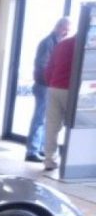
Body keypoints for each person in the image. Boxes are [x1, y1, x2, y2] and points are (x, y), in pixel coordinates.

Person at [26, 17, 70, 162]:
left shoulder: (57, 43)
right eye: (65, 29)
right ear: (59, 27)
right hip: (43, 86)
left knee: (47, 120)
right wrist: (50, 81)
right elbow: (42, 65)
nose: (66, 33)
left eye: (68, 30)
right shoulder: (48, 43)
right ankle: (32, 151)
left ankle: (42, 149)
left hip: (48, 85)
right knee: (40, 118)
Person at [43, 34, 77, 171]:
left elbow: (49, 67)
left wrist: (51, 83)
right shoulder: (85, 46)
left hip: (54, 87)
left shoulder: (62, 44)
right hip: (73, 90)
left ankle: (49, 160)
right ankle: (72, 161)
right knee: (74, 126)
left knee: (52, 126)